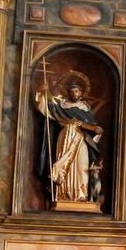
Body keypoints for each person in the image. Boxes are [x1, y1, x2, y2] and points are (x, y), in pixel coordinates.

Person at [35, 74, 103, 205]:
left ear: (81, 93)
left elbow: (92, 126)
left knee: (82, 165)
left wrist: (96, 131)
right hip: (66, 136)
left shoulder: (85, 109)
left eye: (76, 91)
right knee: (66, 164)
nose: (74, 93)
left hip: (81, 139)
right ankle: (64, 195)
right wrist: (43, 92)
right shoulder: (61, 106)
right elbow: (47, 107)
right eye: (71, 91)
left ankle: (82, 194)